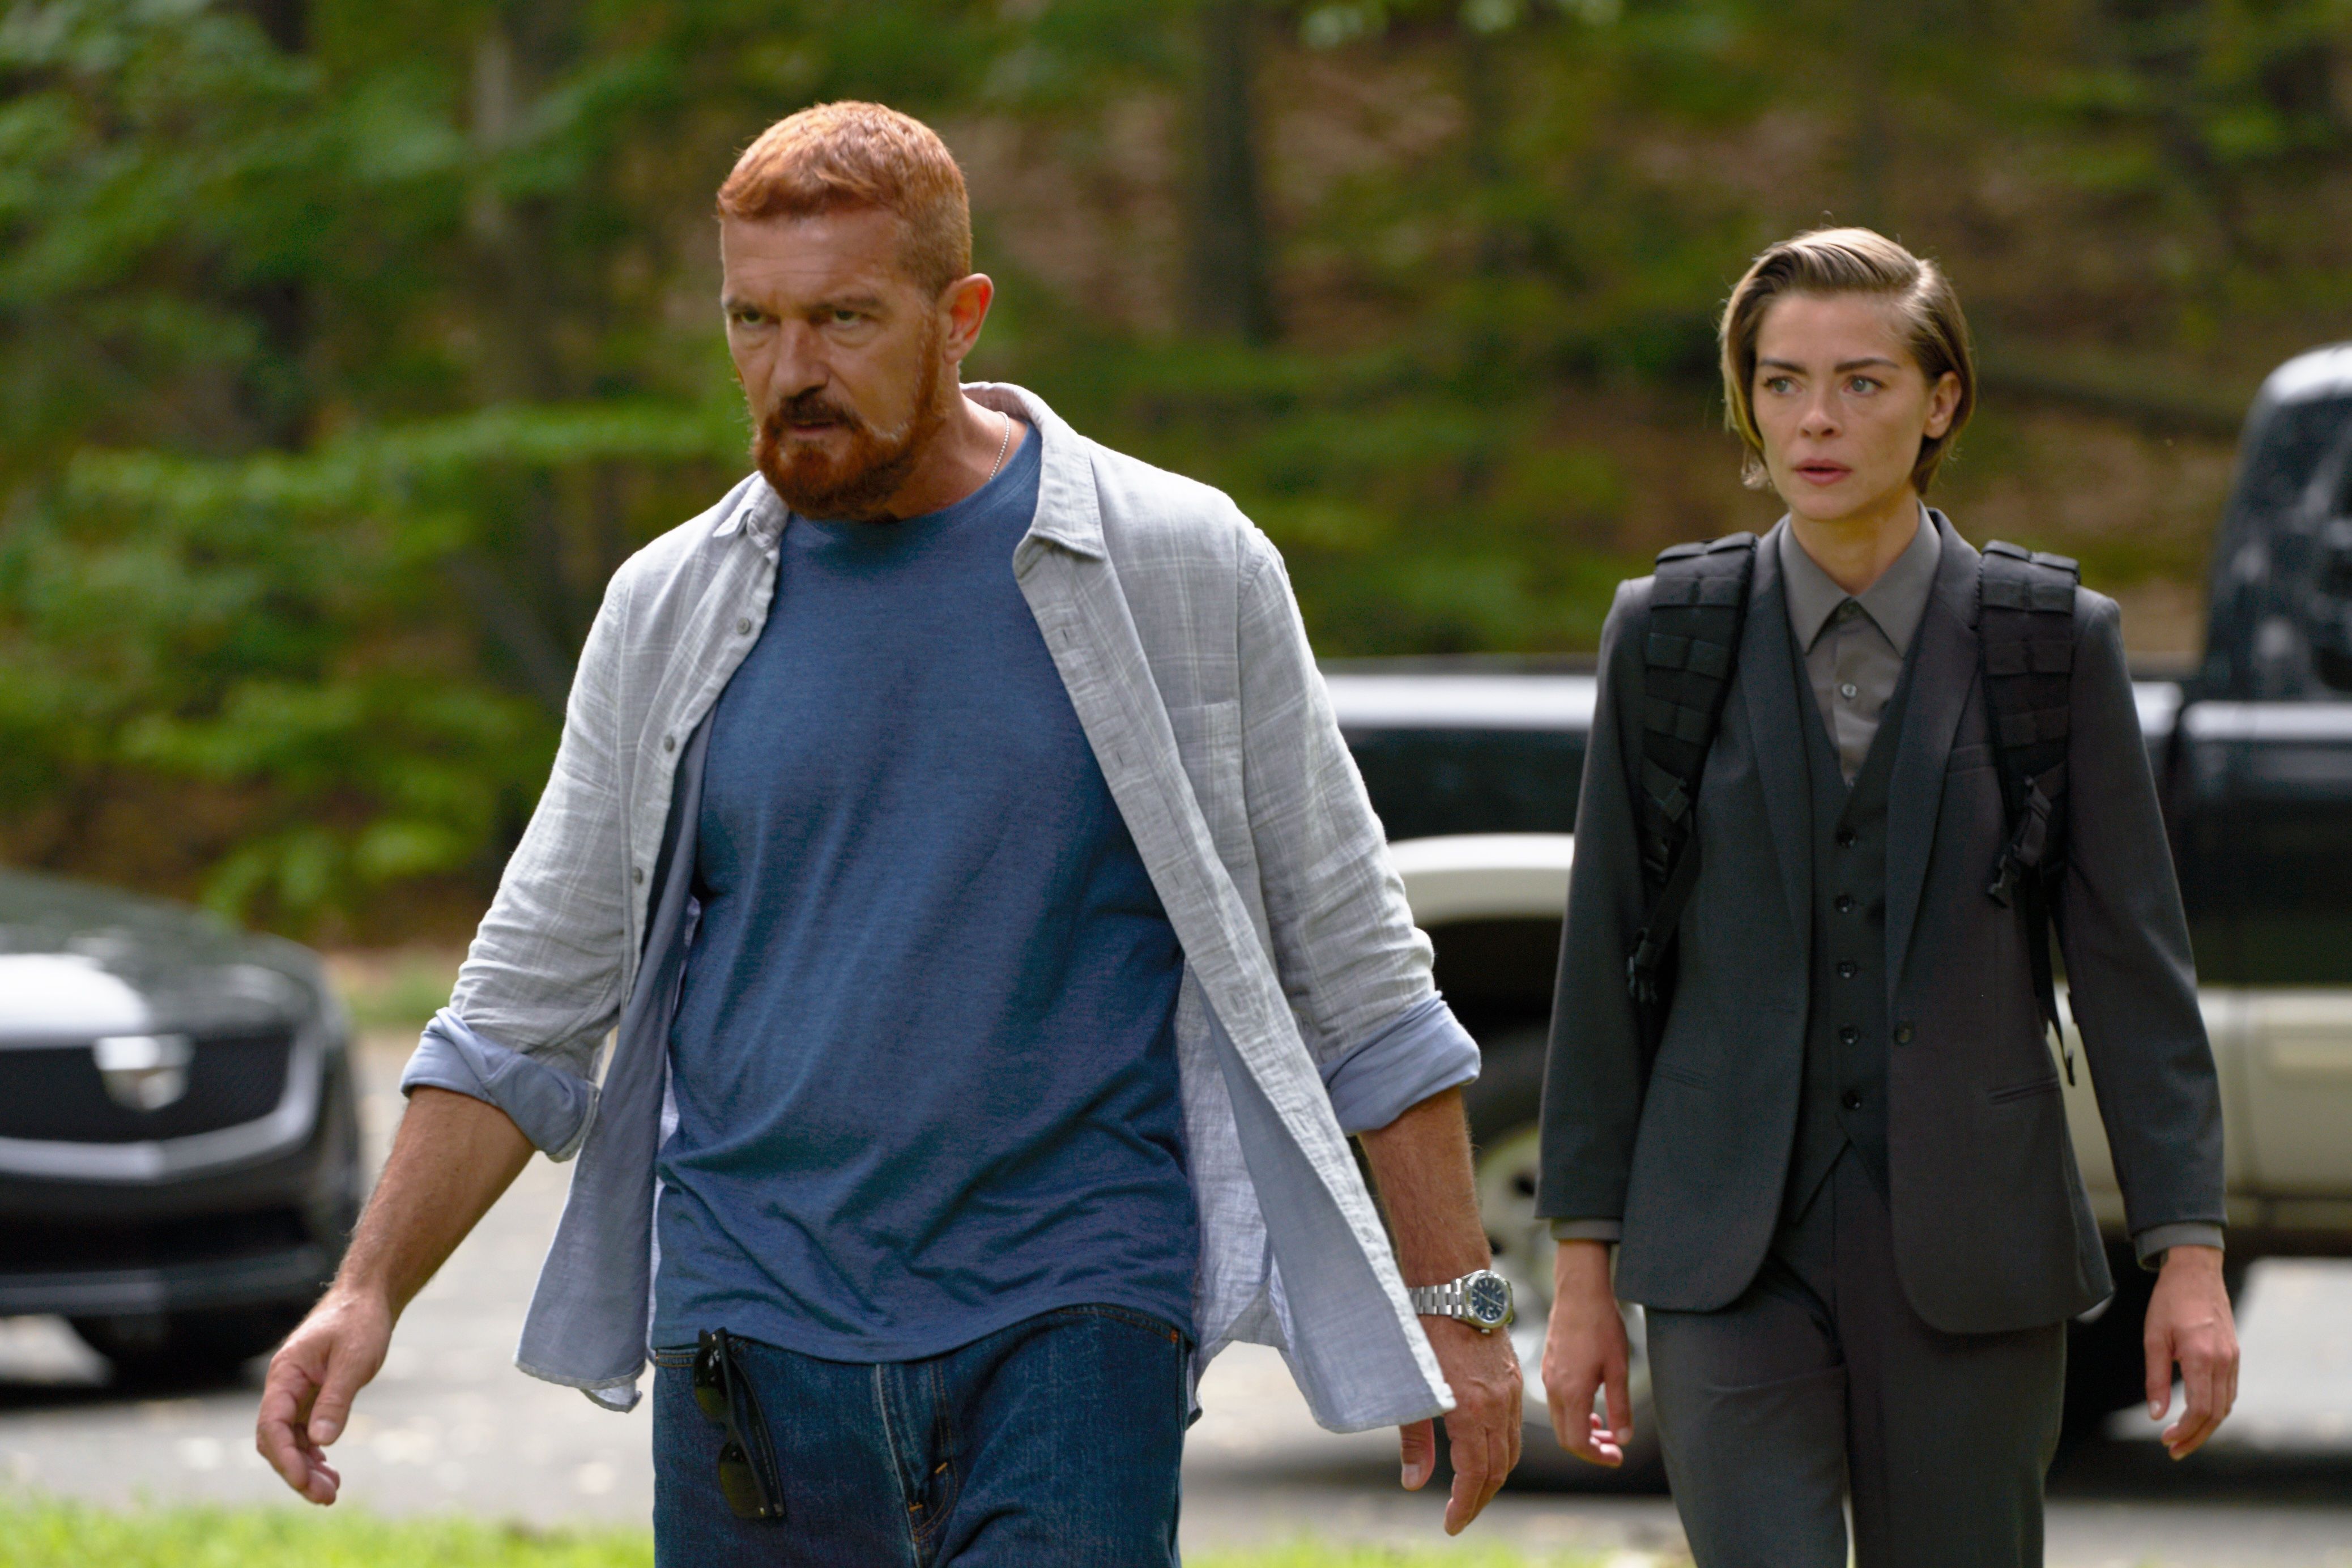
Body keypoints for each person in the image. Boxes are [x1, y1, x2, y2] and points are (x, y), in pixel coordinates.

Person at [254, 101, 1522, 1563]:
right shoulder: (669, 608)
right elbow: (526, 1001)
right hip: (749, 1326)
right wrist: (365, 1290)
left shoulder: (1180, 564)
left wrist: (1462, 1307)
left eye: (845, 318)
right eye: (754, 320)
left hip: (1075, 1309)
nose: (792, 371)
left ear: (960, 316)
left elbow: (1357, 969)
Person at [1535, 228, 2240, 1567]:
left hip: (1978, 1248)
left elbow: (2134, 971)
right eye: (1782, 380)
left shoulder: (2050, 643)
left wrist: (2188, 1258)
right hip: (1725, 1250)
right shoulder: (1668, 636)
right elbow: (1605, 965)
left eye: (1862, 382)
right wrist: (1583, 1277)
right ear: (1747, 401)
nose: (1817, 419)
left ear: (1941, 401)